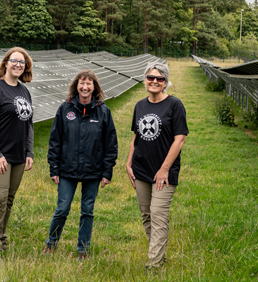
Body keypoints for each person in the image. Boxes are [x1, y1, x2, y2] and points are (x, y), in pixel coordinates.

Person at [42, 70, 118, 260]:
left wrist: (107, 171)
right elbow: (55, 141)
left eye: (89, 84)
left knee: (87, 211)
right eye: (82, 83)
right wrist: (54, 168)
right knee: (62, 209)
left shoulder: (103, 111)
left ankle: (83, 250)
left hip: (93, 171)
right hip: (67, 170)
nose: (85, 87)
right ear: (76, 86)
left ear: (95, 87)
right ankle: (51, 243)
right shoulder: (65, 109)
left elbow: (111, 144)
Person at [125, 62, 188, 269]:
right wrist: (128, 162)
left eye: (159, 79)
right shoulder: (140, 105)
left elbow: (179, 139)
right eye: (150, 78)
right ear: (145, 80)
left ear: (166, 82)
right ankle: (159, 254)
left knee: (159, 215)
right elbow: (136, 136)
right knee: (147, 215)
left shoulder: (174, 105)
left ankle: (153, 264)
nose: (154, 81)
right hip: (141, 169)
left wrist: (164, 169)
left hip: (164, 173)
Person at [0, 47, 35, 261]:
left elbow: (28, 124)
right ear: (5, 63)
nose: (18, 65)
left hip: (18, 155)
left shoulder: (24, 91)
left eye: (22, 63)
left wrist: (29, 151)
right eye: (15, 61)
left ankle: (1, 240)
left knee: (9, 200)